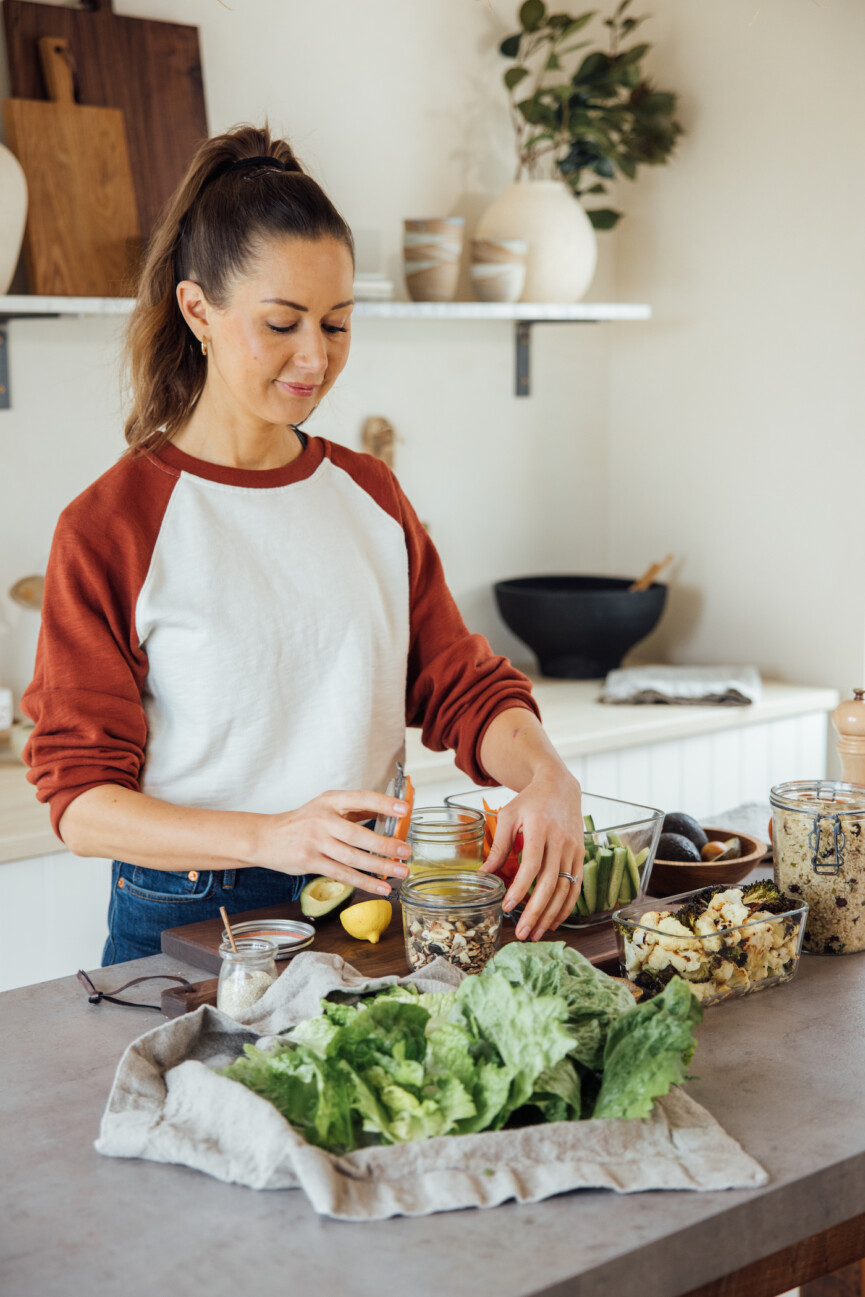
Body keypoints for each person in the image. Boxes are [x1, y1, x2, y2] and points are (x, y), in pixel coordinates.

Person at [21, 124, 584, 966]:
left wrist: (549, 778)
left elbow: (460, 686)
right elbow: (80, 802)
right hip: (191, 921)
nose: (314, 357)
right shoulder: (113, 524)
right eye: (281, 323)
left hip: (366, 902)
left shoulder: (372, 494)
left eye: (338, 323)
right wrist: (273, 835)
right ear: (197, 309)